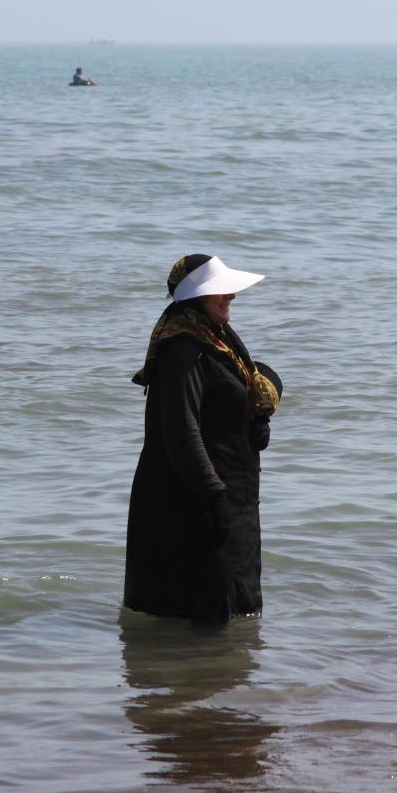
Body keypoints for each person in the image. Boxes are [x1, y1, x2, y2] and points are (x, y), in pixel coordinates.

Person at [124, 254, 282, 621]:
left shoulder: (215, 338)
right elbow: (182, 433)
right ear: (196, 297)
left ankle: (217, 672)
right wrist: (214, 498)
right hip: (194, 502)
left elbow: (249, 382)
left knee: (234, 613)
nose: (231, 297)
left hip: (229, 496)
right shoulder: (183, 349)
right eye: (220, 291)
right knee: (197, 611)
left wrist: (256, 415)